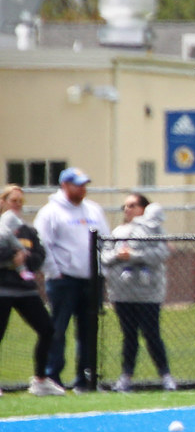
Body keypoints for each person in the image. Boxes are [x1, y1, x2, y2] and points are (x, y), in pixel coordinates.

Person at [34, 167, 111, 392]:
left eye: (84, 184)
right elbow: (43, 244)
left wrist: (102, 269)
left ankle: (85, 379)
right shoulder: (50, 212)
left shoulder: (94, 210)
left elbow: (105, 240)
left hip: (91, 281)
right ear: (64, 185)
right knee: (57, 330)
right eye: (78, 185)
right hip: (63, 281)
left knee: (88, 331)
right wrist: (54, 271)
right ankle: (52, 377)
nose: (82, 189)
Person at [100, 193, 176, 392]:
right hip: (122, 294)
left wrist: (133, 255)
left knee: (152, 334)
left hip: (148, 294)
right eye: (125, 206)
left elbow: (161, 253)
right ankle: (126, 377)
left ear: (144, 208)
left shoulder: (154, 231)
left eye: (132, 205)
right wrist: (119, 255)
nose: (127, 209)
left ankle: (166, 376)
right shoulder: (118, 232)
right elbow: (105, 256)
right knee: (129, 336)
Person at [0, 185, 65, 397]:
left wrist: (25, 259)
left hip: (25, 290)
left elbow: (39, 256)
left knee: (47, 330)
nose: (17, 205)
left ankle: (40, 380)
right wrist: (11, 257)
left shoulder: (28, 231)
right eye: (13, 201)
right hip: (3, 290)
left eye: (20, 201)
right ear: (2, 202)